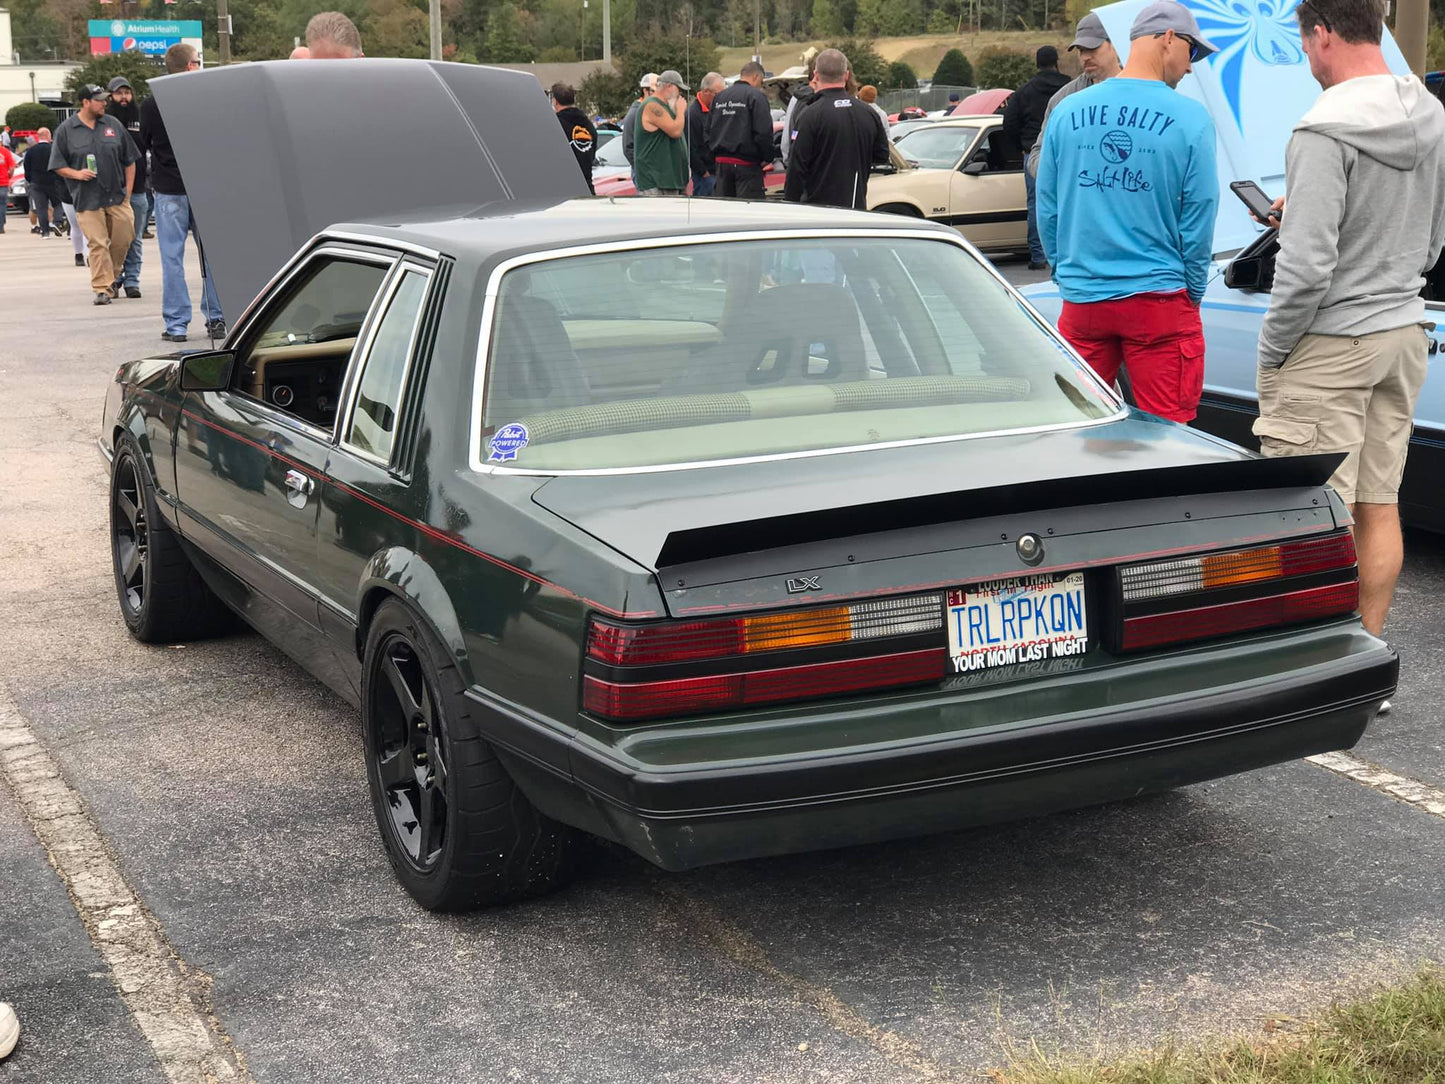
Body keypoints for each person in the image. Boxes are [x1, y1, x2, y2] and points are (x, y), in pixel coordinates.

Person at [1254, 0, 1445, 642]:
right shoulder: (1430, 112)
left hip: (1334, 340)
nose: (1307, 59)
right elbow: (1433, 243)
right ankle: (1364, 657)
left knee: (1307, 517)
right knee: (1378, 505)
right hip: (1403, 331)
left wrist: (1274, 348)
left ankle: (1315, 668)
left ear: (1325, 33)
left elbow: (1306, 267)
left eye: (1305, 45)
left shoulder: (1321, 128)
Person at [1037, 0, 1218, 424]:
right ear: (1169, 38)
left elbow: (1048, 204)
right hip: (1158, 298)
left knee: (1080, 427)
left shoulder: (1067, 111)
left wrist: (1066, 271)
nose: (1190, 67)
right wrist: (1192, 289)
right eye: (1191, 52)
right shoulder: (1190, 118)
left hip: (1084, 299)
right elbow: (1199, 214)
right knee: (1169, 433)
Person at [141, 42, 225, 342]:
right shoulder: (205, 101)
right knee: (213, 256)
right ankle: (217, 316)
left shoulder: (152, 104)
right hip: (203, 186)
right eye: (198, 62)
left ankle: (177, 324)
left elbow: (144, 145)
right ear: (190, 66)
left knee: (172, 258)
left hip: (169, 189)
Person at [50, 84, 138, 305]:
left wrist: (127, 191)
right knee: (97, 243)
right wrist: (76, 174)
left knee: (124, 238)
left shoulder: (113, 125)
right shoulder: (66, 130)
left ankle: (111, 277)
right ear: (86, 102)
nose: (104, 103)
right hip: (86, 198)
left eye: (105, 99)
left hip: (117, 196)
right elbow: (57, 164)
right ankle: (102, 288)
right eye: (99, 100)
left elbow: (130, 160)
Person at [783, 48, 889, 210]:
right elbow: (882, 155)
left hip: (817, 210)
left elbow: (796, 167)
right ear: (846, 75)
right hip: (854, 206)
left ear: (816, 75)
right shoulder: (869, 113)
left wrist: (790, 205)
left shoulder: (809, 115)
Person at [1026, 13, 1122, 180]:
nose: (1085, 57)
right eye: (1081, 50)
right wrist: (1068, 171)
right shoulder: (1063, 100)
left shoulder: (1140, 93)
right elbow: (1036, 156)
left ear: (1114, 44)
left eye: (1092, 48)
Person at [1002, 47, 1069, 271]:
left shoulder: (1023, 92)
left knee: (1037, 205)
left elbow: (1008, 124)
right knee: (1072, 202)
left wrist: (1022, 147)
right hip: (1069, 152)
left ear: (1037, 64)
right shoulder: (1071, 88)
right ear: (1057, 62)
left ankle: (1039, 255)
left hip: (1035, 152)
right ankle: (1069, 251)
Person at [106, 76, 148, 298]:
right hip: (111, 191)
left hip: (139, 189)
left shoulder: (141, 118)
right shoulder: (104, 120)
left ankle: (132, 280)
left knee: (135, 238)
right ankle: (114, 278)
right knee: (114, 239)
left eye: (127, 93)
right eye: (119, 93)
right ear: (110, 96)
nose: (124, 98)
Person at [709, 61, 775, 199]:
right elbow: (763, 133)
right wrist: (767, 158)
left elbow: (708, 129)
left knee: (725, 212)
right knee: (748, 213)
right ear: (756, 77)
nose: (760, 85)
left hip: (721, 166)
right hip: (746, 167)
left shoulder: (719, 97)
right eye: (761, 81)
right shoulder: (756, 97)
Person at [635, 70, 689, 195]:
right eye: (678, 89)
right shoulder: (652, 106)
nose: (680, 94)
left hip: (670, 181)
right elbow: (675, 131)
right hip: (657, 183)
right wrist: (680, 111)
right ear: (669, 86)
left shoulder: (667, 107)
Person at [551, 82, 597, 193]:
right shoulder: (589, 126)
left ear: (555, 102)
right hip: (587, 187)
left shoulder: (554, 125)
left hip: (563, 189)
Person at [687, 72, 723, 196]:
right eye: (718, 94)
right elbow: (690, 148)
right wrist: (703, 172)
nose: (721, 98)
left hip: (717, 172)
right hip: (705, 176)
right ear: (706, 91)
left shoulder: (716, 109)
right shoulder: (693, 114)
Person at [22, 127, 62, 237]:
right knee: (58, 204)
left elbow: (27, 168)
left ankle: (45, 232)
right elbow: (60, 164)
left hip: (37, 182)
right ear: (48, 135)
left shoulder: (30, 151)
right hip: (53, 181)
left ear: (38, 136)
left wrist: (31, 180)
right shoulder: (53, 149)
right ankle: (57, 222)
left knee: (41, 208)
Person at [622, 73, 658, 182]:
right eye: (655, 92)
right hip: (644, 174)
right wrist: (643, 170)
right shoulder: (635, 114)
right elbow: (628, 148)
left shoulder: (653, 111)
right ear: (645, 91)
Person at [0, 139, 12, 234]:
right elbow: (11, 168)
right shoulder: (6, 152)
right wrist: (9, 176)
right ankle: (1, 226)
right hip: (3, 182)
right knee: (2, 205)